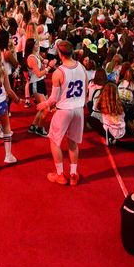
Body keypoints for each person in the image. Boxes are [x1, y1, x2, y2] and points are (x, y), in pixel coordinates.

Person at [39, 40, 88, 185]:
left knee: (55, 142)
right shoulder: (82, 67)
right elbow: (86, 90)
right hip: (78, 109)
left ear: (60, 54)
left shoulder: (58, 72)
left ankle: (60, 174)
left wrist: (44, 104)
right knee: (73, 143)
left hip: (64, 110)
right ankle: (73, 174)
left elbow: (53, 98)